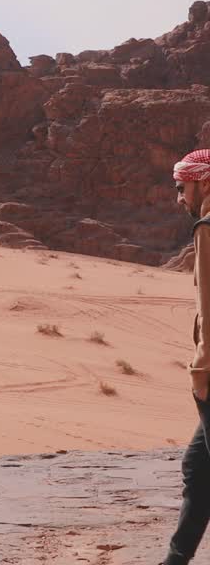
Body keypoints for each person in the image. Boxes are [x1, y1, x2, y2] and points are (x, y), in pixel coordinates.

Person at [165, 148, 210, 565]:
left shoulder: (208, 228)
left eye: (182, 187)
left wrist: (201, 373)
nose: (180, 197)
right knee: (199, 471)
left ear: (204, 182)